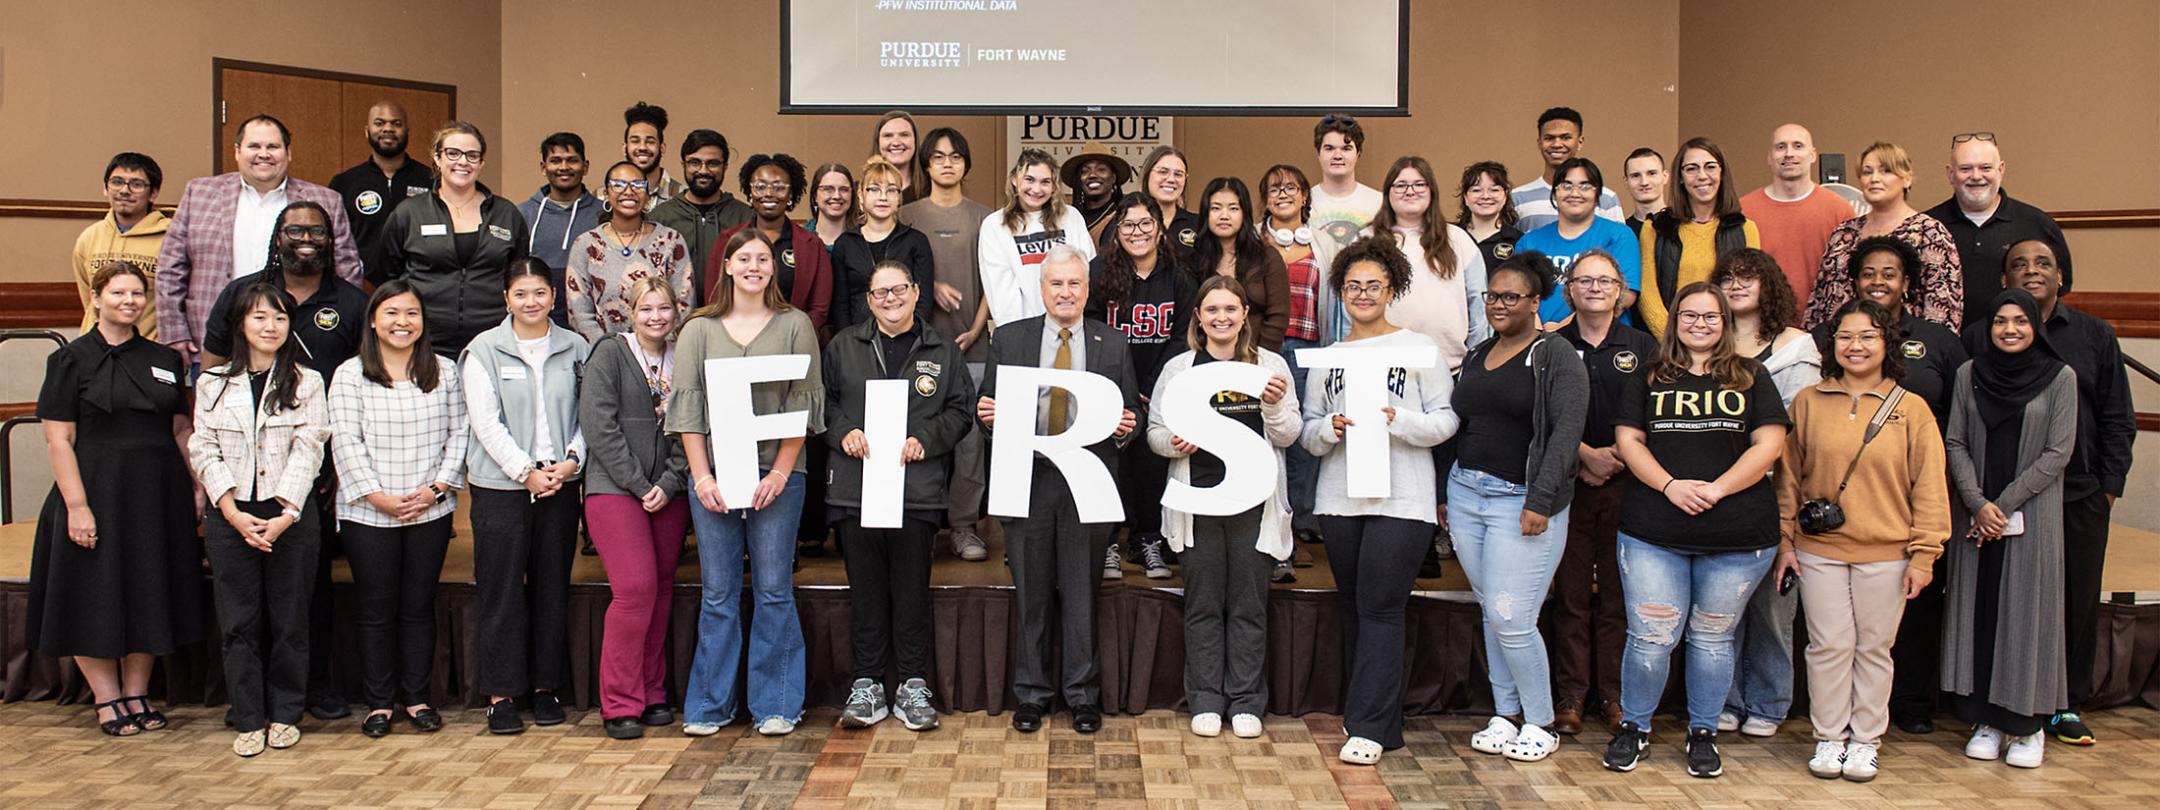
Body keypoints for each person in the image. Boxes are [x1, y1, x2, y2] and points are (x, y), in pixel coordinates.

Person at [1602, 282, 1790, 779]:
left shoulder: (1752, 375)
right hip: (1652, 530)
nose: (1700, 324)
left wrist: (1718, 489)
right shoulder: (1648, 376)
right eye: (1690, 315)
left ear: (1725, 323)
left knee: (1712, 638)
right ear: (1674, 321)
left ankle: (1703, 731)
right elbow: (1628, 439)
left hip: (1737, 534)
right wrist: (1670, 486)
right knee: (1651, 637)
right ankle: (1635, 727)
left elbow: (1768, 444)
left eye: (1711, 316)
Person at [196, 202, 370, 722]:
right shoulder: (239, 296)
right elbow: (206, 415)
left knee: (305, 599)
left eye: (317, 230)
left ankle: (306, 694)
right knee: (242, 612)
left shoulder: (349, 302)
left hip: (310, 481)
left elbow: (343, 404)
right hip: (236, 493)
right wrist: (225, 501)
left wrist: (312, 490)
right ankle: (249, 704)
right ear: (278, 236)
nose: (306, 238)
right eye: (295, 229)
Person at [1775, 298, 1949, 782]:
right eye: (1846, 336)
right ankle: (1829, 737)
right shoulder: (1808, 402)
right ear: (1833, 345)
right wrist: (1785, 542)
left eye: (1868, 336)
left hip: (1889, 552)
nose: (1856, 346)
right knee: (1828, 645)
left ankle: (1866, 740)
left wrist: (1924, 553)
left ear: (1886, 344)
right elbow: (1788, 478)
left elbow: (1930, 485)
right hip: (1819, 551)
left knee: (1874, 648)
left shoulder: (1910, 409)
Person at [1301, 236, 1460, 765]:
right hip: (1339, 499)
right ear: (1340, 292)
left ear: (1391, 288)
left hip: (1403, 500)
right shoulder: (1330, 356)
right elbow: (1307, 429)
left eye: (1373, 285)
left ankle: (1367, 726)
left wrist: (1400, 420)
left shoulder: (1419, 349)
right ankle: (1376, 720)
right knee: (1353, 606)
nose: (1363, 294)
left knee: (1381, 608)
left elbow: (1446, 420)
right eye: (1353, 286)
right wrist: (1331, 429)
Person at [30, 262, 199, 737]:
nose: (129, 301)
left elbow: (180, 428)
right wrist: (78, 506)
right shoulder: (70, 360)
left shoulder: (165, 360)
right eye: (118, 292)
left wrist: (197, 483)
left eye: (136, 293)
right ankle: (107, 698)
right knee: (94, 593)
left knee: (150, 589)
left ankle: (138, 692)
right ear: (97, 298)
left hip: (156, 493)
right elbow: (58, 440)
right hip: (94, 491)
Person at [977, 246, 1140, 735]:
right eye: (1056, 284)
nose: (1066, 292)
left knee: (1081, 590)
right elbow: (988, 411)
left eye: (1075, 284)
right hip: (1026, 478)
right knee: (1030, 592)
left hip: (1086, 480)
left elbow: (1129, 413)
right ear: (1041, 289)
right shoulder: (1009, 339)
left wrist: (1125, 427)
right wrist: (988, 420)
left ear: (1087, 290)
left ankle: (1082, 696)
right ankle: (1032, 696)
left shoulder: (1111, 342)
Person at [670, 230, 826, 737]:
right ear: (728, 266)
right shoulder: (699, 329)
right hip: (714, 476)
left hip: (778, 476)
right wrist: (701, 477)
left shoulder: (794, 325)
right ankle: (710, 706)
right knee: (717, 592)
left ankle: (776, 704)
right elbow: (688, 409)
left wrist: (780, 472)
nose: (754, 266)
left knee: (774, 589)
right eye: (744, 258)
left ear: (773, 268)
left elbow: (802, 406)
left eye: (763, 258)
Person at [1989, 238, 2135, 747]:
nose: (2032, 271)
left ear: (2061, 276)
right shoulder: (1986, 338)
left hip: (2077, 493)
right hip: (2002, 496)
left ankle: (2065, 703)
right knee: (2003, 597)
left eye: (2043, 264)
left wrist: (2109, 487)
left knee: (2075, 599)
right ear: (2004, 279)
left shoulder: (2094, 335)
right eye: (2019, 265)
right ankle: (1999, 700)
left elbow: (2118, 416)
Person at [1450, 252, 1590, 763]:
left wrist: (1540, 501)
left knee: (1512, 615)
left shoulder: (1556, 355)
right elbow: (1463, 423)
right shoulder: (1476, 354)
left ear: (1536, 302)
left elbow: (1565, 436)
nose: (1499, 305)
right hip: (1467, 494)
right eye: (1492, 296)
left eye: (1512, 297)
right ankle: (1505, 714)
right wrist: (1448, 497)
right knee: (1492, 610)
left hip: (1522, 502)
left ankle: (1541, 720)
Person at [1148, 275, 1301, 740]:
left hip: (1256, 505)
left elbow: (1290, 433)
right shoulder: (1179, 369)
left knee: (1249, 605)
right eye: (1212, 310)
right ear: (1199, 317)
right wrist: (1173, 445)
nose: (1221, 318)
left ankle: (1247, 700)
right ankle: (1207, 699)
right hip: (1198, 504)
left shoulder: (1269, 365)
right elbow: (1154, 433)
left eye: (1230, 309)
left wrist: (1273, 408)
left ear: (1244, 315)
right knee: (1203, 604)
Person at [827, 261, 975, 732]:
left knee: (911, 594)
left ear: (916, 293)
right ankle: (867, 685)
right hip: (856, 490)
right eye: (880, 292)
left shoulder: (942, 350)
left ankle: (912, 684)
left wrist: (927, 440)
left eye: (899, 289)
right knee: (866, 593)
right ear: (869, 301)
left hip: (917, 492)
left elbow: (960, 410)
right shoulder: (842, 345)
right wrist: (842, 431)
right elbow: (821, 403)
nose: (890, 298)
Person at [189, 280, 333, 757]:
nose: (270, 326)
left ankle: (287, 714)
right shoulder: (212, 383)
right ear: (240, 324)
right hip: (231, 516)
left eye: (279, 318)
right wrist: (228, 510)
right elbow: (202, 447)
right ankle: (248, 715)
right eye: (259, 317)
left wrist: (286, 513)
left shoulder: (307, 381)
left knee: (291, 619)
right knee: (238, 623)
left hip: (289, 516)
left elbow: (310, 448)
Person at [1942, 289, 2078, 770]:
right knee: (1981, 613)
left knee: (2027, 614)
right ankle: (1986, 719)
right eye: (2001, 321)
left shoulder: (2060, 377)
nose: (2010, 330)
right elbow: (1955, 440)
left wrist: (2002, 505)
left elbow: (2058, 453)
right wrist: (1977, 503)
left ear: (2036, 326)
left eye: (2021, 321)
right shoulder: (1969, 374)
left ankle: (2027, 726)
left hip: (2031, 517)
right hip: (1976, 516)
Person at [328, 279, 466, 738]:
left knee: (417, 606)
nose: (401, 322)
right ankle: (379, 703)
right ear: (372, 319)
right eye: (391, 313)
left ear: (423, 321)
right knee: (376, 608)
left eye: (410, 313)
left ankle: (417, 697)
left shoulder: (444, 370)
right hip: (369, 513)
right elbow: (345, 442)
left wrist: (437, 489)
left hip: (429, 508)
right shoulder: (350, 374)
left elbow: (459, 434)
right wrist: (378, 497)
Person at [461, 259, 590, 735]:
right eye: (521, 294)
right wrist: (524, 472)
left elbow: (587, 414)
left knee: (551, 587)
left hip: (560, 483)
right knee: (501, 591)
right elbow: (485, 422)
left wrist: (572, 460)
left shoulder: (575, 346)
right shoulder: (484, 351)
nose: (531, 302)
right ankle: (501, 694)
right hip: (501, 488)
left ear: (554, 298)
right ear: (506, 299)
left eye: (540, 293)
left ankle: (544, 688)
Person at [1710, 248, 1821, 739]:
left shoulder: (1796, 347)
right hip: (1717, 491)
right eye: (1728, 278)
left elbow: (1800, 429)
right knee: (1722, 609)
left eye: (1748, 278)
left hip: (1777, 489)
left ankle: (1770, 703)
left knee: (1774, 609)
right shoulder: (1707, 345)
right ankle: (1726, 700)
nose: (1736, 286)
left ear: (1768, 286)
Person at [1549, 250, 1659, 735]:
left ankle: (1614, 695)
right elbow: (1540, 417)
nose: (1594, 288)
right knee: (1571, 595)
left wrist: (1614, 454)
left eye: (1605, 281)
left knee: (1618, 597)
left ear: (1620, 291)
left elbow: (1657, 416)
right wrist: (1582, 455)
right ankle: (1571, 695)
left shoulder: (1646, 346)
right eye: (1584, 280)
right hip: (1567, 485)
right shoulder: (1550, 346)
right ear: (1568, 289)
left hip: (1629, 486)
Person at [157, 114, 361, 367]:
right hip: (215, 339)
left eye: (272, 147)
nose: (263, 154)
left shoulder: (325, 200)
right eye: (254, 146)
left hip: (299, 342)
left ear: (288, 153)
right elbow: (170, 268)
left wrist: (336, 330)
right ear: (237, 151)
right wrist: (174, 331)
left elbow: (346, 269)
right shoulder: (200, 193)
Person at [580, 277, 691, 740]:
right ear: (628, 311)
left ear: (676, 311)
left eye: (664, 308)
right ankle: (619, 701)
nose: (656, 318)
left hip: (669, 491)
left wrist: (668, 482)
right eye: (646, 309)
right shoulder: (610, 352)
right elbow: (598, 425)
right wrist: (639, 483)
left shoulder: (683, 356)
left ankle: (651, 691)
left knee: (662, 589)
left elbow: (694, 421)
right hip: (614, 489)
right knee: (635, 589)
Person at [1087, 193, 1195, 581]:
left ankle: (1147, 538)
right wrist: (1123, 388)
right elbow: (1092, 331)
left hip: (1160, 387)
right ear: (1118, 231)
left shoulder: (1179, 275)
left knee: (1151, 462)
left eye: (1145, 224)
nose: (1137, 232)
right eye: (1128, 225)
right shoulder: (1100, 272)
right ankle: (1111, 541)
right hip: (1111, 386)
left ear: (1159, 227)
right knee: (1112, 461)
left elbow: (1183, 336)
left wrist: (1153, 387)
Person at [900, 127, 995, 561]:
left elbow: (994, 283)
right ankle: (917, 525)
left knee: (970, 444)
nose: (947, 163)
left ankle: (963, 527)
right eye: (937, 157)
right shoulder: (906, 214)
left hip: (971, 347)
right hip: (918, 351)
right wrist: (928, 283)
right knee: (917, 437)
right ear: (926, 164)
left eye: (955, 156)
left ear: (966, 163)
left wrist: (977, 329)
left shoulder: (985, 217)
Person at [377, 121, 531, 355]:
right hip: (423, 340)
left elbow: (518, 274)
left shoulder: (505, 213)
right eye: (453, 153)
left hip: (492, 341)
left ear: (481, 163)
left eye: (472, 155)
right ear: (437, 158)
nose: (462, 162)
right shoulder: (409, 213)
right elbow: (388, 273)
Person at [1259, 162, 1334, 564]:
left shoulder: (1324, 243)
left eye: (1291, 187)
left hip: (1309, 348)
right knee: (1271, 431)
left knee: (1304, 434)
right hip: (1263, 349)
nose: (1283, 194)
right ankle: (1270, 517)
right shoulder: (1252, 240)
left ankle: (1303, 516)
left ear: (1306, 195)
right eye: (1274, 189)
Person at [1803, 142, 1962, 330]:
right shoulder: (1843, 233)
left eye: (1885, 171)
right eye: (1867, 172)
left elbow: (1943, 309)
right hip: (1842, 348)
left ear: (1906, 179)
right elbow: (1820, 301)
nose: (1874, 179)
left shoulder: (1929, 233)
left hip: (1907, 349)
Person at [1924, 133, 2074, 329]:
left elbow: (2059, 289)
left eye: (1985, 168)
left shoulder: (2037, 224)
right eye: (1965, 169)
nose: (1976, 176)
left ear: (2001, 169)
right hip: (1947, 349)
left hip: (2018, 346)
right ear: (1950, 174)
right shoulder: (1928, 227)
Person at [1636, 138, 1761, 338]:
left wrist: (1723, 343)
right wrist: (1674, 340)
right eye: (1691, 169)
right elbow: (1647, 295)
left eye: (1710, 167)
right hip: (1670, 347)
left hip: (1728, 346)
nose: (1702, 176)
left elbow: (1748, 295)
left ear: (1722, 172)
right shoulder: (1655, 228)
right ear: (1680, 178)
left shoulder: (1745, 229)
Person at [1372, 156, 1487, 372]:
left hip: (1450, 367)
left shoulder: (1457, 238)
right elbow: (1346, 309)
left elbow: (1479, 305)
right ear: (1387, 193)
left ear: (1431, 190)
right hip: (1383, 367)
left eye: (1419, 184)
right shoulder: (1367, 240)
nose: (1410, 191)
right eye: (1400, 185)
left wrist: (1475, 362)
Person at [566, 161, 694, 341]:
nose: (628, 191)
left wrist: (655, 353)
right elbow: (580, 314)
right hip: (606, 356)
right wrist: (612, 352)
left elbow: (684, 307)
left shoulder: (671, 241)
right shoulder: (586, 245)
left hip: (663, 356)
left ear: (648, 195)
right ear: (606, 194)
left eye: (637, 185)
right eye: (618, 185)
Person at [1512, 158, 1642, 325]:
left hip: (1602, 343)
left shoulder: (1618, 235)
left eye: (1585, 186)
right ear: (1554, 193)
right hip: (1539, 341)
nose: (1575, 193)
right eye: (1566, 186)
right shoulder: (1529, 242)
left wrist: (1563, 329)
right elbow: (1518, 295)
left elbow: (1625, 296)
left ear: (1597, 194)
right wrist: (1539, 332)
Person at [716, 153, 833, 337]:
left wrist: (793, 334)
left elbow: (819, 308)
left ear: (791, 194)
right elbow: (715, 297)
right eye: (760, 187)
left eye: (779, 187)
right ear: (749, 192)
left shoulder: (812, 245)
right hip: (737, 341)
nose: (769, 193)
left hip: (794, 341)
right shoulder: (728, 240)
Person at [1739, 124, 1854, 307]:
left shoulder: (1840, 210)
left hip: (1822, 326)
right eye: (1781, 147)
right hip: (1762, 325)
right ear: (1769, 156)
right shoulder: (1743, 211)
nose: (1789, 153)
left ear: (1813, 155)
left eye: (1798, 146)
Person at [978, 148, 1095, 326]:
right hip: (1023, 334)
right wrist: (1021, 336)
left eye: (1045, 182)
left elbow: (1087, 274)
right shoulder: (995, 225)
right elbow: (1001, 293)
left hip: (1072, 328)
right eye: (1029, 180)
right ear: (1014, 180)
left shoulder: (1071, 217)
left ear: (1054, 186)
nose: (1036, 189)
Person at [331, 101, 435, 280]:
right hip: (361, 289)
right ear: (366, 131)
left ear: (407, 131)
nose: (388, 129)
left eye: (396, 124)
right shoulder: (345, 183)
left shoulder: (432, 180)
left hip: (420, 286)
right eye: (379, 123)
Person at [830, 156, 936, 331]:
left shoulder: (916, 241)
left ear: (899, 198)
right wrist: (848, 343)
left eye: (891, 190)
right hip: (857, 340)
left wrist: (911, 338)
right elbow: (840, 305)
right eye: (874, 189)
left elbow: (924, 302)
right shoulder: (845, 244)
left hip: (909, 340)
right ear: (861, 196)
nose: (883, 197)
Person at [648, 128, 755, 298]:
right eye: (695, 162)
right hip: (676, 318)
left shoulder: (745, 217)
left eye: (712, 163)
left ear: (725, 166)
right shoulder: (660, 218)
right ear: (684, 164)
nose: (703, 170)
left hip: (733, 318)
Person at [74, 152, 169, 341]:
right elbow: (89, 298)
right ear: (105, 187)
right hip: (94, 351)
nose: (124, 191)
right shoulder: (89, 237)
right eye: (117, 182)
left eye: (136, 184)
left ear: (154, 193)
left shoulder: (171, 239)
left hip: (149, 350)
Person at [1194, 177, 1292, 351]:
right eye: (1216, 208)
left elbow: (1278, 316)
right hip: (1206, 358)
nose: (1224, 216)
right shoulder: (1193, 260)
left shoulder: (1266, 257)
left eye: (1233, 208)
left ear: (1244, 214)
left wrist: (1260, 358)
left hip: (1258, 358)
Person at [517, 132, 600, 326]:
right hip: (536, 320)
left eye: (572, 160)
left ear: (585, 166)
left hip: (589, 322)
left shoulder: (602, 215)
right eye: (555, 161)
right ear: (543, 167)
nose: (564, 167)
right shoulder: (522, 214)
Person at [1510, 107, 1625, 231]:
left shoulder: (1606, 197)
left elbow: (1617, 244)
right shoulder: (1518, 198)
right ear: (1539, 143)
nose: (1557, 144)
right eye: (1549, 138)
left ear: (1580, 142)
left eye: (1565, 138)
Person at [1308, 114, 1385, 261]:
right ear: (1318, 154)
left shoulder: (1380, 202)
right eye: (1329, 148)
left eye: (1346, 148)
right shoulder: (1303, 202)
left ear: (1358, 154)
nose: (1337, 155)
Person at [1454, 161, 1523, 277]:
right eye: (1476, 190)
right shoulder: (1451, 237)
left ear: (1505, 196)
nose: (1485, 196)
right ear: (1465, 197)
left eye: (1494, 190)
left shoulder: (1518, 241)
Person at [1063, 142, 1132, 245]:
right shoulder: (1068, 218)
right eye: (1084, 171)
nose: (1092, 175)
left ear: (1113, 177)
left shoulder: (1123, 218)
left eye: (1101, 170)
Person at [1140, 146, 1199, 254]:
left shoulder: (1199, 224)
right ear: (1147, 175)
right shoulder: (1126, 223)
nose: (1171, 179)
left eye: (1178, 174)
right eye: (1163, 172)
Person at [622, 101, 683, 203]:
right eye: (635, 141)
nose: (642, 147)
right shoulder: (603, 196)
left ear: (662, 148)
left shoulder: (683, 196)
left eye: (650, 141)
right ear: (624, 148)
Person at [872, 110, 922, 200]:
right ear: (878, 142)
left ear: (915, 140)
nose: (896, 143)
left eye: (904, 135)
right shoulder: (860, 192)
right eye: (888, 135)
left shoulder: (932, 191)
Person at [810, 162, 859, 247]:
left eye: (844, 190)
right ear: (815, 195)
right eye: (828, 189)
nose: (837, 196)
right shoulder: (798, 239)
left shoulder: (862, 240)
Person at [1622, 148, 1667, 234]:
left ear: (1665, 177)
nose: (1644, 182)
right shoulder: (1622, 232)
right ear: (1626, 181)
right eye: (1635, 175)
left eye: (1652, 173)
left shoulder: (1684, 225)